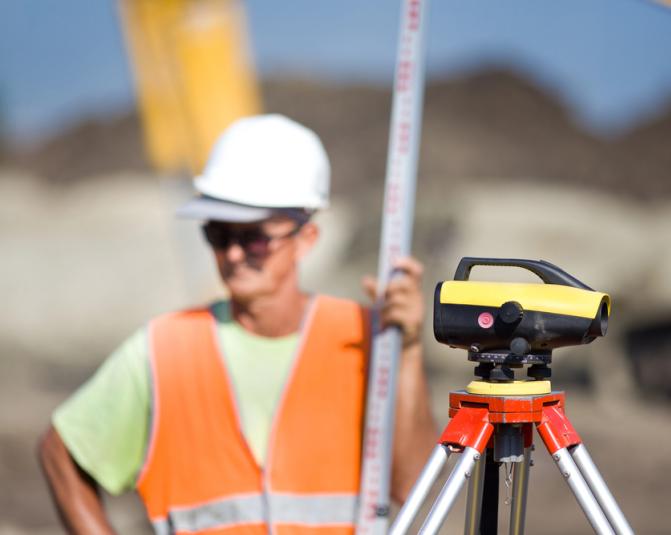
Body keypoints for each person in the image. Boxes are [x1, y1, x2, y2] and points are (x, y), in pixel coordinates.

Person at [38, 114, 437, 535]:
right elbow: (59, 453)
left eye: (254, 237)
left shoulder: (364, 338)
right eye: (219, 235)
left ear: (307, 239)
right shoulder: (163, 349)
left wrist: (408, 347)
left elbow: (415, 488)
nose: (232, 254)